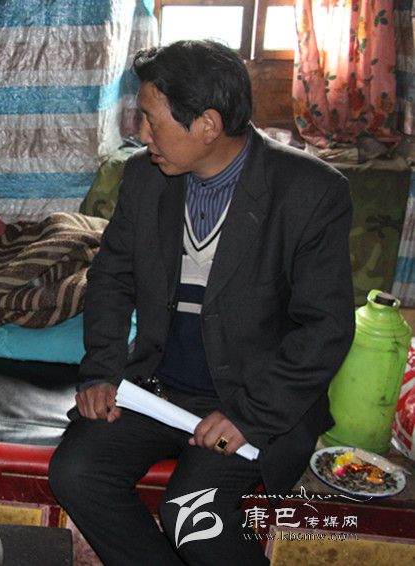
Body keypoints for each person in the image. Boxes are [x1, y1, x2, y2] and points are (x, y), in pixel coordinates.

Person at [49, 40, 355, 565]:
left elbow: (325, 327)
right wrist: (101, 370)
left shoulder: (309, 192)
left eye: (152, 120)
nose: (142, 135)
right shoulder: (145, 177)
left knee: (193, 514)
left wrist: (250, 415)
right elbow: (112, 277)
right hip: (159, 390)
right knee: (76, 473)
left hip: (253, 399)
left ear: (208, 125)